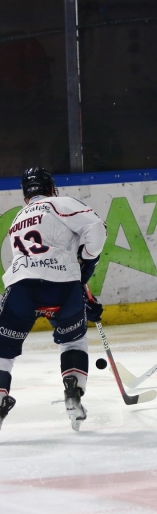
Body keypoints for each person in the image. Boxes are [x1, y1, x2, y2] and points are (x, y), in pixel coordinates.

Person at [0, 167, 106, 432]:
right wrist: (87, 262)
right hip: (62, 288)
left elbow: (37, 261)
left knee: (3, 351)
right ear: (50, 187)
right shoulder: (60, 203)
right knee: (73, 341)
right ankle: (73, 392)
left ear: (26, 193)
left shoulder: (18, 218)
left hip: (21, 288)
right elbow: (96, 227)